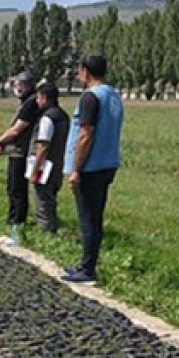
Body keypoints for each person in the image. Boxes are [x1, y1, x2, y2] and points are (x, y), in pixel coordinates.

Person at [62, 54, 123, 283]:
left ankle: (87, 269)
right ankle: (86, 263)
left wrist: (76, 169)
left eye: (79, 71)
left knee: (88, 219)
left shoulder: (90, 97)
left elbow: (85, 135)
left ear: (86, 71)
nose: (78, 76)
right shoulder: (113, 95)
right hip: (108, 162)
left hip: (91, 166)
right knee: (95, 217)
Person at [0, 72, 40, 247]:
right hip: (17, 150)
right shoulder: (27, 102)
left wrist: (0, 141)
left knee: (17, 188)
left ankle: (17, 222)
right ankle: (14, 219)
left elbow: (18, 128)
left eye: (20, 85)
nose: (17, 88)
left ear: (27, 86)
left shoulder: (30, 103)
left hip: (21, 151)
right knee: (13, 187)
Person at [31, 81, 69, 235]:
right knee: (51, 199)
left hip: (45, 167)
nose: (37, 101)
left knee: (43, 201)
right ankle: (51, 228)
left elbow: (43, 146)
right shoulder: (63, 116)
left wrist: (35, 170)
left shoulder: (47, 118)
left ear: (45, 98)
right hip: (58, 163)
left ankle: (46, 234)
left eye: (38, 97)